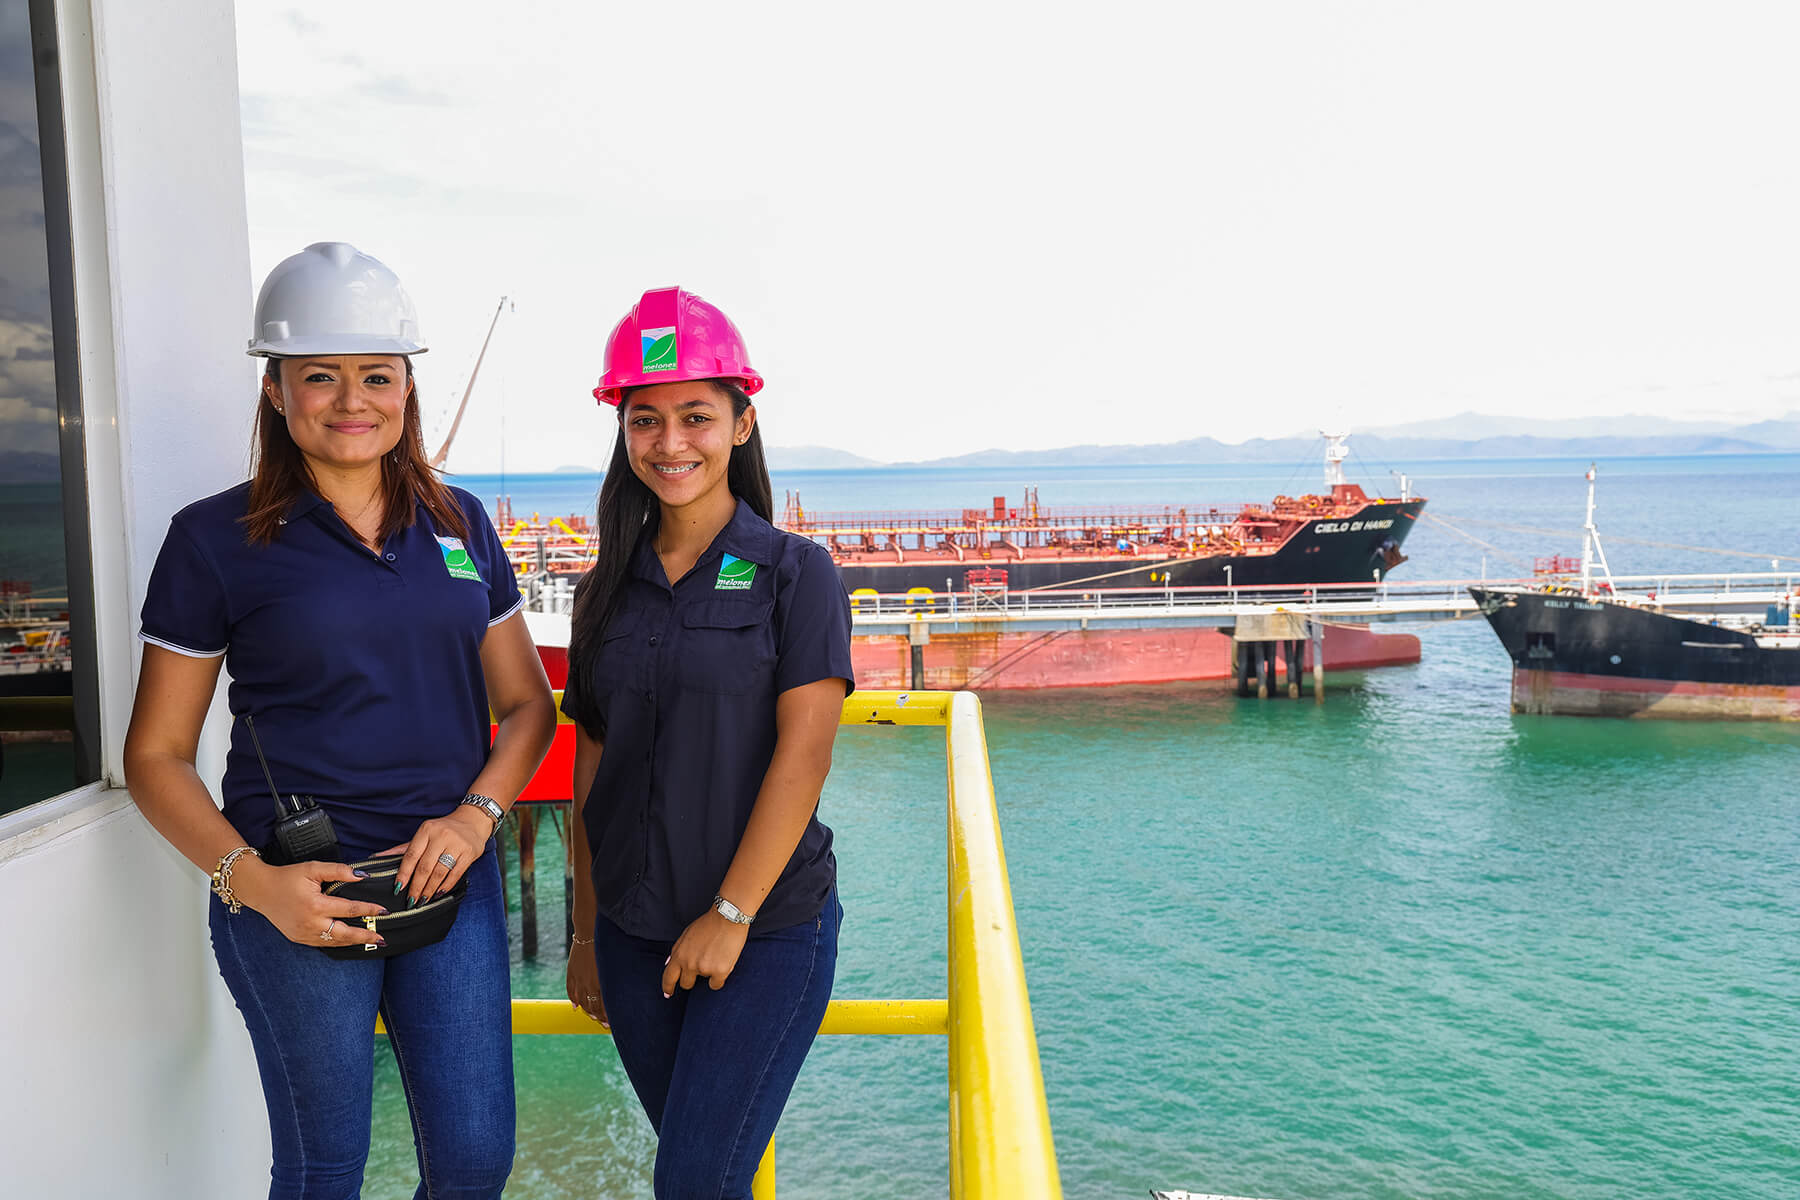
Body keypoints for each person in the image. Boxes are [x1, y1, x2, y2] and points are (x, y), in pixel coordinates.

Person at [122, 242, 555, 1200]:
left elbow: (529, 706)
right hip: (297, 891)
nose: (352, 400)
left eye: (377, 375)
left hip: (448, 880)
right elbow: (154, 755)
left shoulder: (460, 523)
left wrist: (476, 817)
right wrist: (255, 884)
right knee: (326, 1171)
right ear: (275, 389)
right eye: (320, 375)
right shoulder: (213, 538)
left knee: (474, 1163)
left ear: (408, 387)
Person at [561, 287, 854, 1198]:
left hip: (765, 930)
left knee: (693, 1183)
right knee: (706, 1179)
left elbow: (804, 755)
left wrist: (729, 916)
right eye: (645, 419)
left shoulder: (797, 575)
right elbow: (593, 766)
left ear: (742, 422)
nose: (670, 441)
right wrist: (585, 928)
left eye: (696, 415)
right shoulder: (604, 589)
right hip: (631, 935)